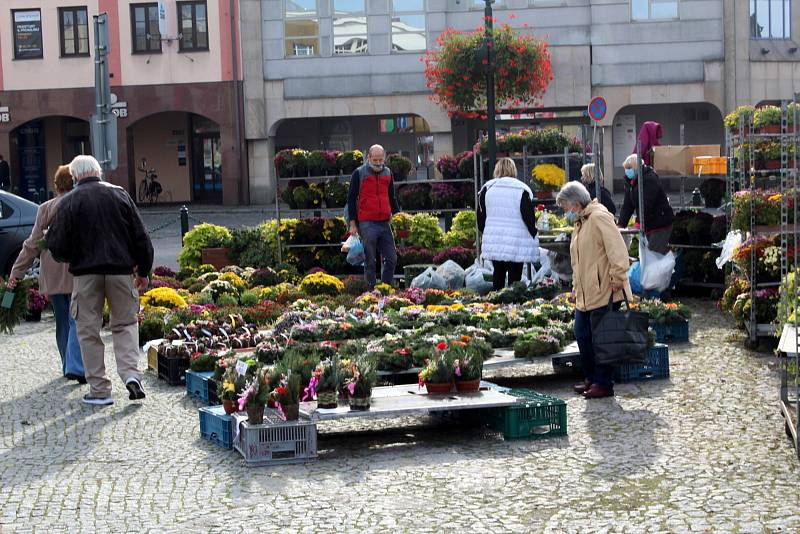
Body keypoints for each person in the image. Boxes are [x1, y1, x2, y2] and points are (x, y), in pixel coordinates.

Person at [47, 155, 153, 406]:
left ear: (74, 176)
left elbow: (56, 245)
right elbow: (141, 237)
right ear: (98, 172)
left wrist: (73, 255)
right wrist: (143, 271)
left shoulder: (69, 201)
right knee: (126, 324)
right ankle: (130, 375)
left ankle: (100, 389)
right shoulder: (120, 194)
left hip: (85, 274)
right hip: (120, 272)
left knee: (88, 331)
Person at [7, 165, 86, 383]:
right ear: (75, 182)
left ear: (56, 184)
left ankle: (66, 365)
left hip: (52, 272)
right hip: (75, 268)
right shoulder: (79, 203)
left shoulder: (45, 208)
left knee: (62, 321)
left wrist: (16, 273)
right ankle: (76, 365)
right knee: (76, 319)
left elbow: (31, 245)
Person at [557, 181, 631, 399]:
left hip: (604, 289)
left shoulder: (599, 217)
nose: (565, 212)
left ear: (576, 204)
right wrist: (574, 287)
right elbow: (578, 261)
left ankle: (604, 383)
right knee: (582, 334)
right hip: (586, 292)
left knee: (602, 340)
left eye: (565, 207)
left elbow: (617, 250)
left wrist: (618, 278)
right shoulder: (580, 222)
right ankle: (591, 377)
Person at [477, 157, 539, 291]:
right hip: (515, 240)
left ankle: (496, 305)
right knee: (515, 276)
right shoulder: (521, 189)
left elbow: (481, 218)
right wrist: (534, 231)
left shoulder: (487, 189)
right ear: (514, 170)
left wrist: (486, 232)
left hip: (495, 239)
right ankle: (513, 305)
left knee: (498, 273)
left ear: (497, 170)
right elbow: (528, 216)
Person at [347, 144, 401, 288]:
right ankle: (371, 290)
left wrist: (399, 216)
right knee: (370, 260)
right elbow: (351, 199)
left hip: (384, 222)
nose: (378, 163)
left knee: (392, 258)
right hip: (367, 222)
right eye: (375, 160)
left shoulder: (388, 173)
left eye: (380, 160)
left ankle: (385, 287)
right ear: (368, 157)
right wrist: (352, 224)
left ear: (384, 158)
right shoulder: (358, 173)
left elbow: (392, 197)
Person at [617, 153, 674, 255]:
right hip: (649, 224)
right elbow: (627, 205)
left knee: (654, 254)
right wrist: (621, 224)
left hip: (660, 223)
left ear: (636, 167)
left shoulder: (649, 179)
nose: (627, 171)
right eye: (626, 168)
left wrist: (639, 222)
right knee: (650, 254)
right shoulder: (631, 182)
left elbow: (646, 203)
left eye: (629, 168)